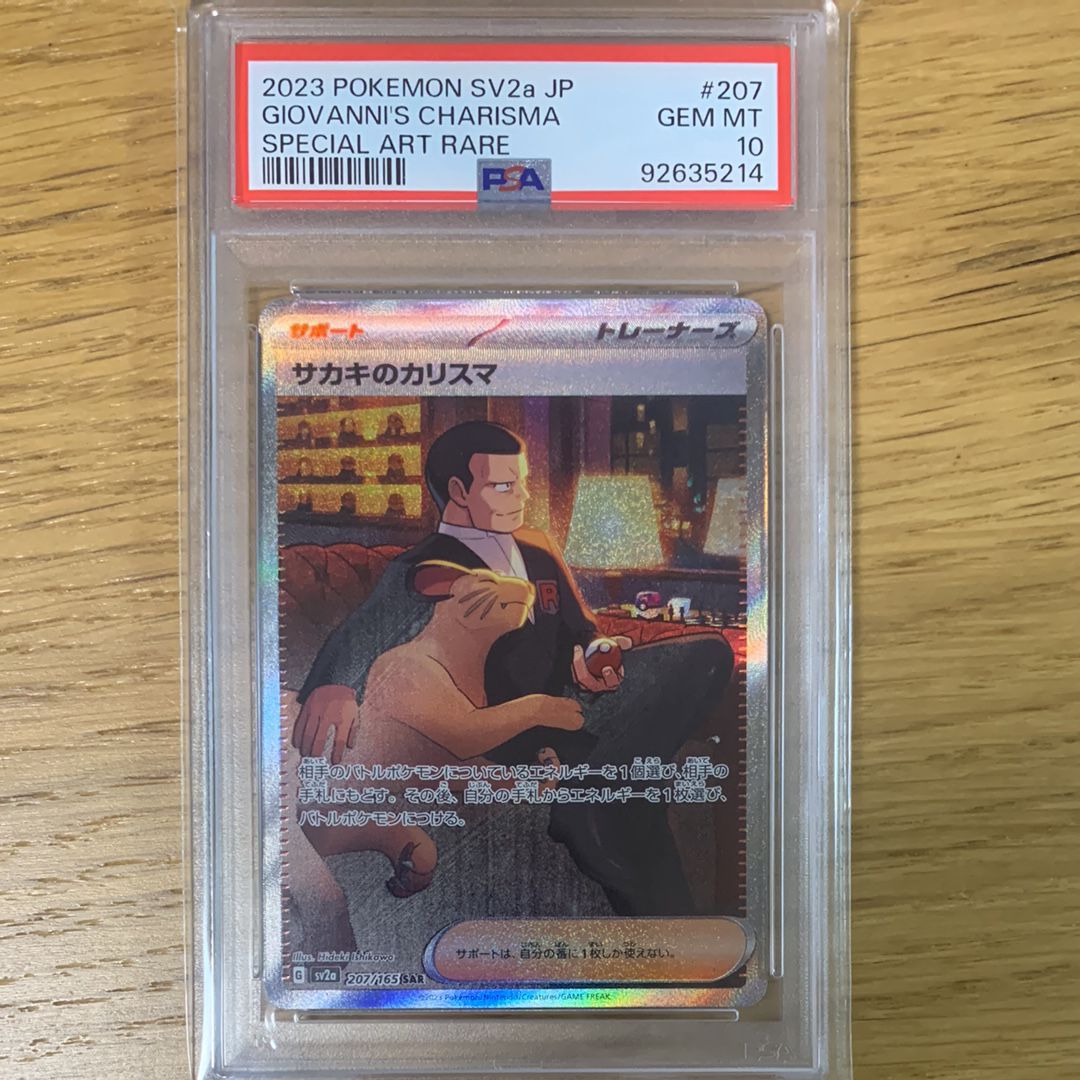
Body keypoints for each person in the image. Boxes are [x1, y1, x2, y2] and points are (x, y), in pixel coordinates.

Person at [295, 421, 734, 915]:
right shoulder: (422, 565)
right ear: (459, 491)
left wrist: (596, 651)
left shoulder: (538, 546)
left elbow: (580, 627)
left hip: (580, 703)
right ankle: (600, 798)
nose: (522, 496)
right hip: (512, 731)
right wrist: (333, 684)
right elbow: (362, 628)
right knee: (634, 808)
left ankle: (597, 790)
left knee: (708, 654)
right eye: (504, 486)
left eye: (521, 482)